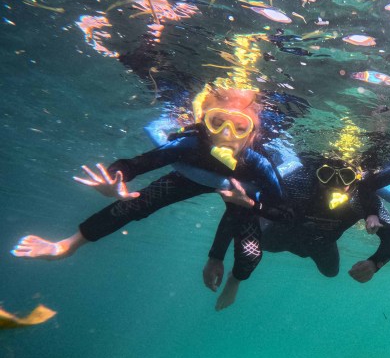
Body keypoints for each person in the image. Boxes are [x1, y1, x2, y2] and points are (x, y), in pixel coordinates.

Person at [13, 83, 287, 261]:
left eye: (240, 127)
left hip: (241, 192)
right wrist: (113, 179)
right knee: (137, 201)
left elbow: (283, 211)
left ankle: (229, 275)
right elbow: (134, 164)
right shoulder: (191, 145)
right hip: (191, 175)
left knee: (245, 237)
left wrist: (250, 203)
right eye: (217, 122)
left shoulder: (257, 163)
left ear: (253, 135)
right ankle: (68, 245)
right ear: (204, 122)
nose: (226, 135)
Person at [204, 155, 390, 310]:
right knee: (256, 241)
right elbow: (238, 210)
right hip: (278, 234)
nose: (335, 183)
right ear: (316, 173)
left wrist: (375, 263)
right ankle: (236, 278)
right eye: (326, 175)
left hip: (320, 243)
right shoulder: (297, 182)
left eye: (346, 176)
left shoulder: (362, 198)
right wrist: (216, 257)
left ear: (356, 178)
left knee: (331, 272)